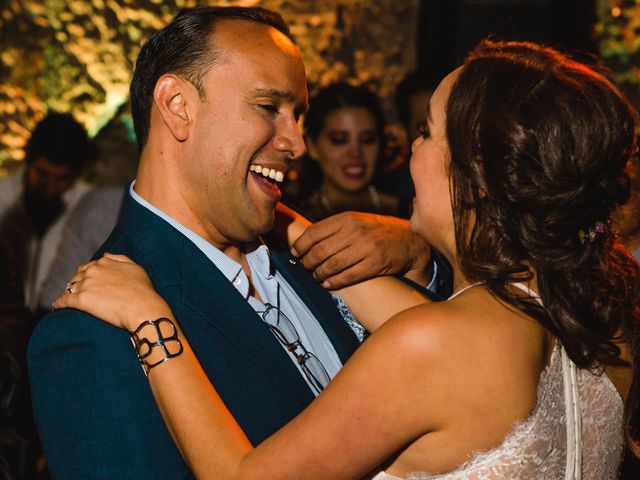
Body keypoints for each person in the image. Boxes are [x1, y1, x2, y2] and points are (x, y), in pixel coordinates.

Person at [54, 39, 640, 479]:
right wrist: (261, 207)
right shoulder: (596, 322)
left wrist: (150, 322)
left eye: (426, 133)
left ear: (478, 179)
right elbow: (399, 309)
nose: (408, 148)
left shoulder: (435, 346)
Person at [27, 7, 433, 478]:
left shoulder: (310, 245)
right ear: (179, 106)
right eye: (268, 108)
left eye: (298, 115)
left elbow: (451, 358)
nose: (297, 144)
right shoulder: (93, 336)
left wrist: (419, 256)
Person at [0, 112, 91, 314]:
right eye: (43, 174)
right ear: (28, 161)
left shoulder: (87, 209)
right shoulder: (3, 199)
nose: (51, 186)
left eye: (62, 179)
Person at [294, 82, 406, 220]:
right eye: (339, 140)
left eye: (367, 139)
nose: (356, 153)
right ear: (312, 146)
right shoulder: (292, 220)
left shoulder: (410, 216)